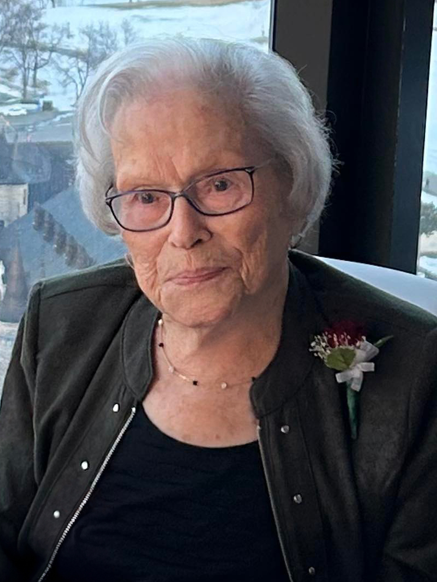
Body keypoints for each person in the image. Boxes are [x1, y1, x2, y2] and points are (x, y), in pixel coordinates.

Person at [0, 37, 436, 582]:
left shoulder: (416, 371)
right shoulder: (59, 324)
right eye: (146, 197)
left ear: (293, 187)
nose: (183, 233)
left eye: (220, 184)